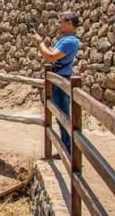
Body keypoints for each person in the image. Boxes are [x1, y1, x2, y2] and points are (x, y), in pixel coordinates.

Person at [31, 11, 81, 155]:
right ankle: (66, 149)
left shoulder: (70, 41)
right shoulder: (65, 39)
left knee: (63, 116)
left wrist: (40, 42)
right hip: (58, 79)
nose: (58, 25)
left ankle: (69, 151)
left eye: (61, 22)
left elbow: (50, 56)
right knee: (60, 115)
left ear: (70, 24)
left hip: (61, 80)